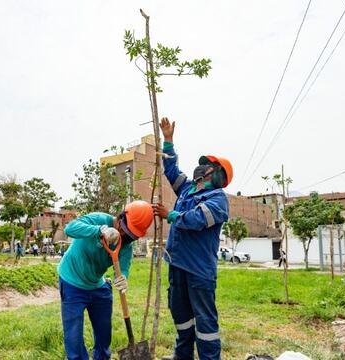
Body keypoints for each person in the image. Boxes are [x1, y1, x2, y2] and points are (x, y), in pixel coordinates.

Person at [153, 117, 233, 360]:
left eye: (206, 165)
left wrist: (171, 215)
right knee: (181, 315)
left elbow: (197, 219)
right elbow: (171, 171)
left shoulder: (218, 199)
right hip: (177, 264)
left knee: (205, 322)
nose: (201, 168)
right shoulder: (188, 189)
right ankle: (183, 355)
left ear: (217, 174)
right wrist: (168, 141)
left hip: (198, 270)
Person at [57, 200, 154, 360]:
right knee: (73, 337)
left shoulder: (126, 246)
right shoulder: (98, 219)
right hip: (72, 281)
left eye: (130, 235)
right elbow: (70, 229)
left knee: (104, 333)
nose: (124, 236)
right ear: (121, 217)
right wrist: (99, 231)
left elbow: (123, 269)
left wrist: (123, 278)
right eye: (124, 230)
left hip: (97, 284)